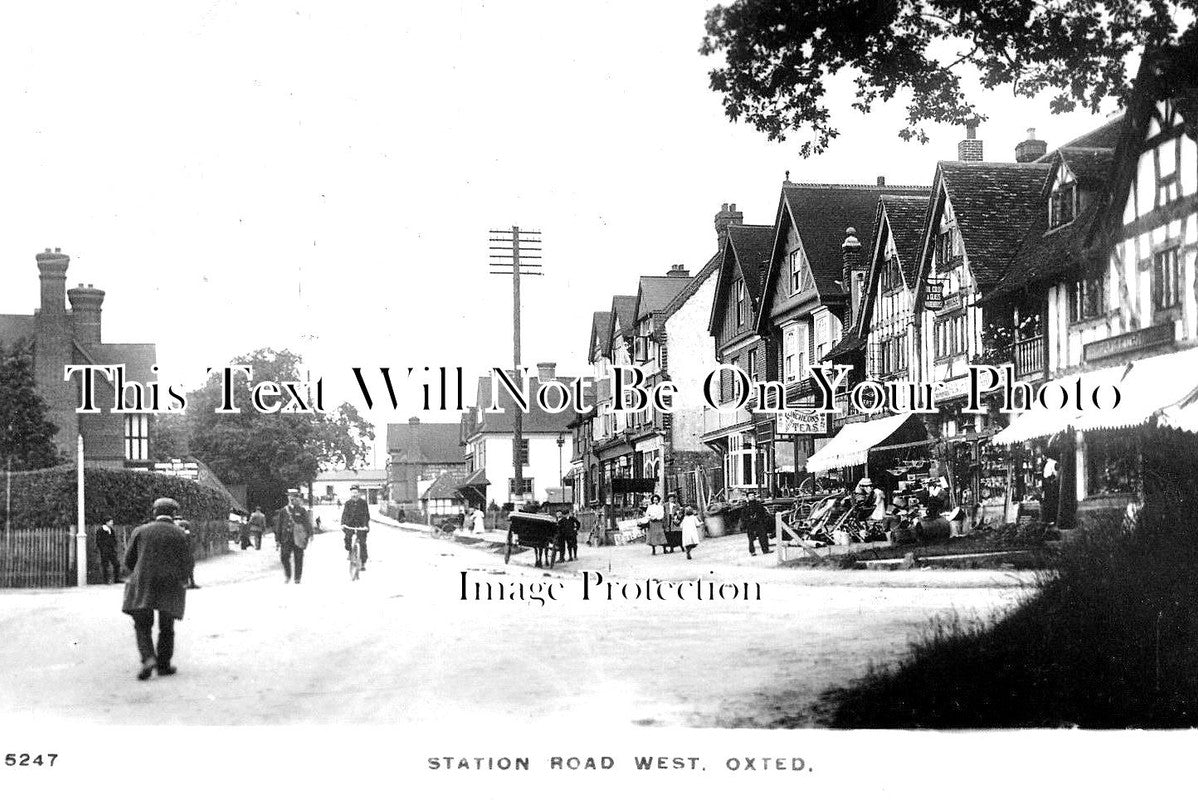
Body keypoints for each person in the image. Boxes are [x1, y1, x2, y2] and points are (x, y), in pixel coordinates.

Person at [122, 497, 193, 680]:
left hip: (144, 583)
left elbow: (129, 560)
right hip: (170, 584)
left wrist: (138, 571)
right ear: (174, 514)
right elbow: (188, 562)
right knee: (167, 626)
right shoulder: (180, 533)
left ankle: (148, 659)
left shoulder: (140, 531)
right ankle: (163, 664)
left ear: (154, 512)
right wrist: (183, 579)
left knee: (142, 625)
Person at [276, 490, 314, 584]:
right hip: (286, 538)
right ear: (288, 498)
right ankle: (288, 574)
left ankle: (297, 578)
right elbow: (279, 525)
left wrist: (310, 534)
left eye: (293, 496)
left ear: (297, 498)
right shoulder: (283, 511)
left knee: (298, 558)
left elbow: (306, 522)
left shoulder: (301, 510)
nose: (291, 498)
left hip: (298, 538)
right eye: (290, 496)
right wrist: (277, 539)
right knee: (284, 557)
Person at [340, 485, 371, 571]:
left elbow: (366, 515)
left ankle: (363, 563)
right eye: (353, 492)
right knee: (347, 538)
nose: (354, 494)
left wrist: (365, 525)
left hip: (361, 525)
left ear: (359, 493)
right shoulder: (348, 503)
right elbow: (344, 514)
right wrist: (343, 524)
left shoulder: (363, 503)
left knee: (362, 544)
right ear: (351, 493)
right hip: (350, 525)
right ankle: (350, 551)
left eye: (356, 492)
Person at [741, 490, 772, 556]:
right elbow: (743, 516)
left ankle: (765, 550)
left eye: (753, 495)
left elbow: (763, 514)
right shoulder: (746, 506)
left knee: (763, 536)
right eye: (750, 496)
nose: (752, 497)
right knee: (751, 539)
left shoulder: (758, 504)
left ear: (755, 496)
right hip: (750, 523)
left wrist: (763, 522)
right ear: (747, 497)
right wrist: (746, 523)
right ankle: (752, 552)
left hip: (759, 523)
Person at [96, 517, 122, 584]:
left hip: (111, 550)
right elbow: (98, 541)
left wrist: (114, 546)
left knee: (116, 564)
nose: (112, 523)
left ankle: (116, 579)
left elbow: (113, 539)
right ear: (107, 522)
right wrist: (102, 548)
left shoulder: (111, 530)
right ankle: (106, 580)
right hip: (104, 551)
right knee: (105, 565)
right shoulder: (101, 530)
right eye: (111, 522)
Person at [176, 519, 201, 589]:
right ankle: (190, 582)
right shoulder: (187, 534)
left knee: (188, 568)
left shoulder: (184, 534)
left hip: (186, 554)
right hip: (188, 554)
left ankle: (188, 583)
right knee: (189, 569)